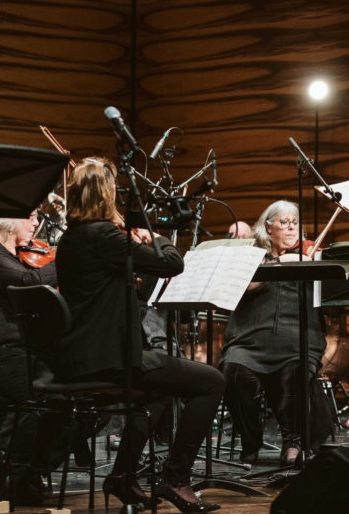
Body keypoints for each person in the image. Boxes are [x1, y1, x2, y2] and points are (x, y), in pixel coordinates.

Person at [55, 158, 224, 512]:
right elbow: (172, 263)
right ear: (106, 194)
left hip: (80, 355)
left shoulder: (73, 237)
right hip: (109, 358)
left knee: (159, 393)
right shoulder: (104, 236)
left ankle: (122, 475)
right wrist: (156, 237)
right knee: (211, 381)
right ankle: (176, 478)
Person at [218, 201, 331, 467]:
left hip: (297, 339)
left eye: (295, 222)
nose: (291, 228)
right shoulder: (252, 255)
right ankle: (250, 439)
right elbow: (245, 286)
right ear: (268, 227)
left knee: (297, 372)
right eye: (284, 222)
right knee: (233, 373)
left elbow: (331, 299)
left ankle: (293, 440)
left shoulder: (310, 255)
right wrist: (280, 262)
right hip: (249, 340)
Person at [0, 211, 63, 504]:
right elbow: (28, 281)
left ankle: (23, 472)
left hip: (19, 351)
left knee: (76, 395)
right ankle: (14, 476)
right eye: (30, 216)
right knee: (39, 393)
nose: (36, 224)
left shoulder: (12, 257)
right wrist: (68, 259)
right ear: (7, 220)